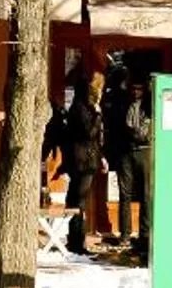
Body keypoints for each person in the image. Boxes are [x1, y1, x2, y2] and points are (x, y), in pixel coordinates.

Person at [43, 69, 109, 255]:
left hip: (84, 160)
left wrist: (101, 156)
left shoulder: (79, 107)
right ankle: (77, 242)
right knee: (78, 201)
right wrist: (97, 115)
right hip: (83, 162)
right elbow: (89, 133)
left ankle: (76, 241)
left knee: (76, 199)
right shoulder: (82, 108)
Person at [103, 69, 151, 249]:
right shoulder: (121, 103)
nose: (136, 92)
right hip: (125, 151)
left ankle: (144, 234)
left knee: (146, 194)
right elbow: (114, 126)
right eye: (133, 88)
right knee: (125, 194)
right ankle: (125, 234)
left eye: (139, 89)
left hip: (145, 151)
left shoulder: (151, 105)